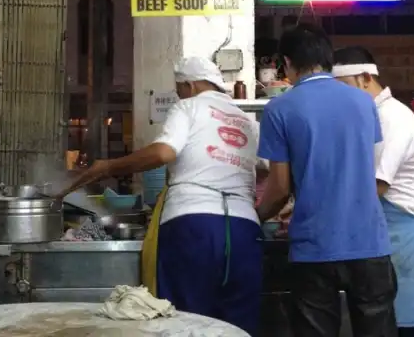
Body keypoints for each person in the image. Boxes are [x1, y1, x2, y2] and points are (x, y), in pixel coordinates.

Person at [56, 56, 263, 336]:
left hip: (193, 226)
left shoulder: (188, 106)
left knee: (185, 323)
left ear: (189, 85)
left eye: (179, 89)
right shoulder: (246, 120)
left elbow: (164, 152)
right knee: (237, 327)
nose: (179, 94)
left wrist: (109, 167)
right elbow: (265, 169)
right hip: (244, 230)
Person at [256, 24, 397, 337]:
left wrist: (254, 217)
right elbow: (358, 165)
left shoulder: (279, 108)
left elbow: (278, 188)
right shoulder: (364, 103)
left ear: (287, 63)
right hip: (369, 244)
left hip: (315, 247)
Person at [333, 46, 414, 337]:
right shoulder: (374, 114)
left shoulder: (392, 117)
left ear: (364, 78)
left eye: (344, 87)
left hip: (404, 221)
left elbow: (377, 184)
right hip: (388, 219)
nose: (342, 98)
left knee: (406, 313)